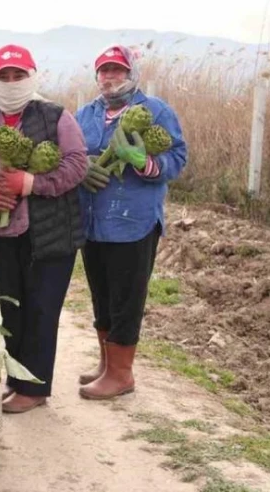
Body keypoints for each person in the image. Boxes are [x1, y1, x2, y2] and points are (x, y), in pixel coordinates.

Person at [0, 44, 87, 414]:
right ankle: (16, 378)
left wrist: (31, 183)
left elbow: (76, 166)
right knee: (13, 311)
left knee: (41, 310)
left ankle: (35, 387)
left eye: (18, 75)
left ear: (32, 76)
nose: (11, 82)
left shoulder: (56, 117)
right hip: (4, 238)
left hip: (48, 238)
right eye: (3, 76)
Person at [75, 45, 187, 400]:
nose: (110, 77)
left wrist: (144, 162)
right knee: (102, 294)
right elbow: (71, 156)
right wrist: (82, 170)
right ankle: (107, 364)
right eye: (104, 70)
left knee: (127, 298)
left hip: (133, 222)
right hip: (93, 222)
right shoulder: (86, 114)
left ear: (131, 74)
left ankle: (122, 374)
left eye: (118, 70)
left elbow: (178, 157)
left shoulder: (155, 111)